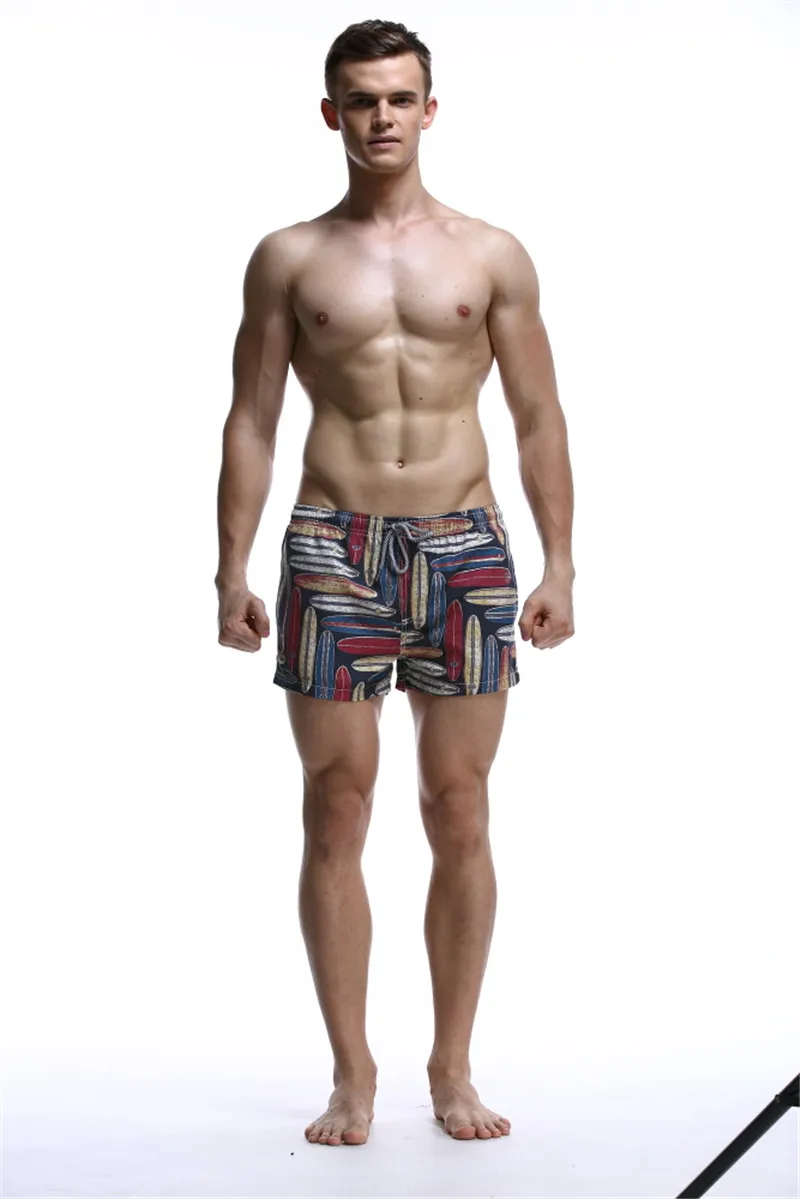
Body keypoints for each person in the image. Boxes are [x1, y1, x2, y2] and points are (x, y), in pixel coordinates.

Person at [215, 18, 575, 1148]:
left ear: (430, 109)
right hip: (332, 544)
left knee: (458, 806)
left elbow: (537, 415)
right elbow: (251, 418)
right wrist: (229, 566)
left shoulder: (490, 253)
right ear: (332, 113)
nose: (381, 116)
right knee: (337, 804)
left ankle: (451, 1065)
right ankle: (351, 1071)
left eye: (400, 97)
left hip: (464, 545)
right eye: (361, 99)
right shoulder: (289, 257)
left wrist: (560, 560)